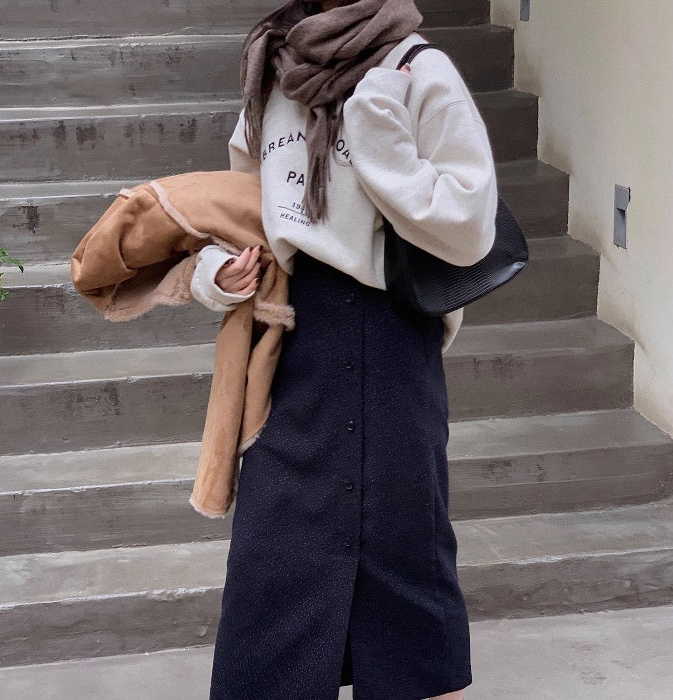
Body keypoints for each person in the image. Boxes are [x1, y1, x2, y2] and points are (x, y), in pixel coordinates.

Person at [190, 0, 498, 697]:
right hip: (296, 341)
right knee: (272, 571)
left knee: (407, 563)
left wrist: (377, 127)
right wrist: (217, 274)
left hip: (394, 339)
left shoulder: (418, 71)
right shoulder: (273, 76)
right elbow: (238, 212)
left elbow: (468, 225)